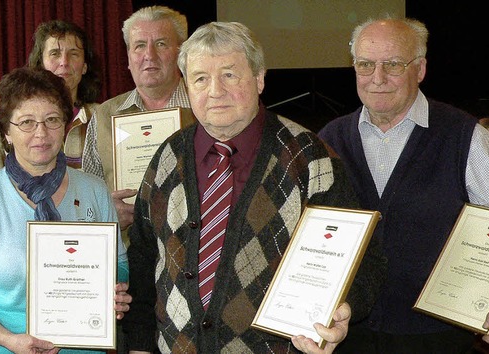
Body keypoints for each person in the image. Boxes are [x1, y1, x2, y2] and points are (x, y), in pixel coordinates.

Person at [122, 21, 386, 353]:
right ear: (187, 86)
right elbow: (145, 259)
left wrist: (346, 307)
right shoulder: (167, 158)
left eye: (230, 74)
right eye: (201, 78)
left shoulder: (308, 159)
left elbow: (365, 260)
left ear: (259, 79)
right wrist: (138, 343)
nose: (215, 90)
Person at [317, 16, 489, 353]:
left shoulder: (462, 136)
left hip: (436, 338)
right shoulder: (328, 140)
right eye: (366, 64)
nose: (377, 78)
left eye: (393, 65)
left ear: (420, 69)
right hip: (345, 336)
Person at [0, 67, 131, 354]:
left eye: (52, 119)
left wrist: (116, 288)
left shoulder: (95, 190)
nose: (41, 133)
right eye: (27, 122)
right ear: (6, 133)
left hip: (81, 347)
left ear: (65, 125)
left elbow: (118, 262)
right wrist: (6, 339)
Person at [81, 5, 194, 232]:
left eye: (161, 44)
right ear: (129, 58)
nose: (149, 55)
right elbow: (86, 197)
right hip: (126, 251)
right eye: (139, 46)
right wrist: (105, 211)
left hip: (194, 249)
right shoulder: (104, 116)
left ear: (182, 54)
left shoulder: (206, 110)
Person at [0, 19, 101, 174]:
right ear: (40, 64)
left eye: (73, 54)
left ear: (85, 66)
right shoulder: (8, 127)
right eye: (55, 53)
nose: (64, 62)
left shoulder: (104, 119)